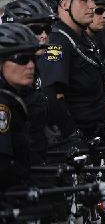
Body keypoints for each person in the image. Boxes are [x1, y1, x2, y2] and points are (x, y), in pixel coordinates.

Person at [39, 0, 105, 139]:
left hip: (99, 134)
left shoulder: (83, 38)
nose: (92, 6)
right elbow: (53, 95)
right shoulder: (58, 40)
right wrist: (72, 136)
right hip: (78, 145)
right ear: (64, 3)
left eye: (93, 0)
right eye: (84, 0)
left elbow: (99, 94)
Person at [0, 23, 46, 190]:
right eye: (22, 59)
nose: (31, 65)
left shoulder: (14, 96)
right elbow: (4, 163)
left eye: (33, 58)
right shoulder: (2, 104)